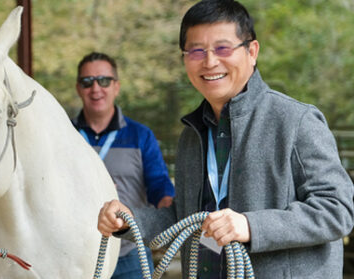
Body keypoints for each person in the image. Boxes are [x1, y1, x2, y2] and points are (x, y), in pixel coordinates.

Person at [96, 1, 354, 278]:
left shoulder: (295, 120)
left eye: (223, 48)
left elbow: (337, 209)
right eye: (196, 50)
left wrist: (251, 226)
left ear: (252, 51)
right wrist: (129, 221)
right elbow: (185, 220)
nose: (209, 62)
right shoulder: (191, 135)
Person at [72, 52, 175, 279]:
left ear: (116, 86)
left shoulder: (141, 136)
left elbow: (158, 182)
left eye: (104, 80)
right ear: (79, 88)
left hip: (129, 255)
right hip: (74, 255)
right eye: (87, 82)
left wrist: (169, 207)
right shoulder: (65, 135)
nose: (96, 88)